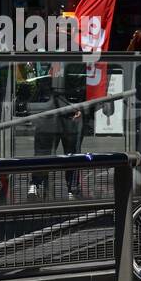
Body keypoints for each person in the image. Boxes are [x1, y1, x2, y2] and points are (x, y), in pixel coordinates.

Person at [28, 61, 85, 200]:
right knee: (47, 153)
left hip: (63, 113)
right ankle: (38, 184)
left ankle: (69, 187)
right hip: (56, 112)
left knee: (67, 154)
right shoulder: (51, 64)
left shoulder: (52, 69)